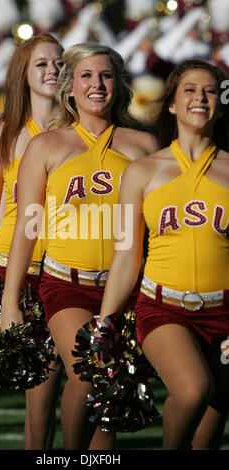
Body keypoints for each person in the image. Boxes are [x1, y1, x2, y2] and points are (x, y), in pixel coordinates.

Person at [0, 42, 158, 450]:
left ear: (119, 86)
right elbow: (26, 230)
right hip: (65, 284)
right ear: (69, 87)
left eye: (106, 75)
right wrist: (10, 301)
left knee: (113, 400)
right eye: (87, 75)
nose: (97, 84)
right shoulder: (46, 146)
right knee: (89, 370)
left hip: (125, 288)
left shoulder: (144, 146)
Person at [97, 59, 229, 450]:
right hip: (163, 308)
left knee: (207, 436)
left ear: (220, 104)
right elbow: (125, 256)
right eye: (189, 89)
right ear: (170, 103)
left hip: (225, 312)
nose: (200, 98)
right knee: (192, 391)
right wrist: (105, 320)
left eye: (209, 91)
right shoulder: (139, 172)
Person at [0, 33, 64, 450]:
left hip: (64, 265)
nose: (53, 71)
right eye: (42, 64)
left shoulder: (78, 133)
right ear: (22, 74)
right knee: (42, 383)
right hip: (16, 266)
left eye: (60, 63)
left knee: (51, 382)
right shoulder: (4, 133)